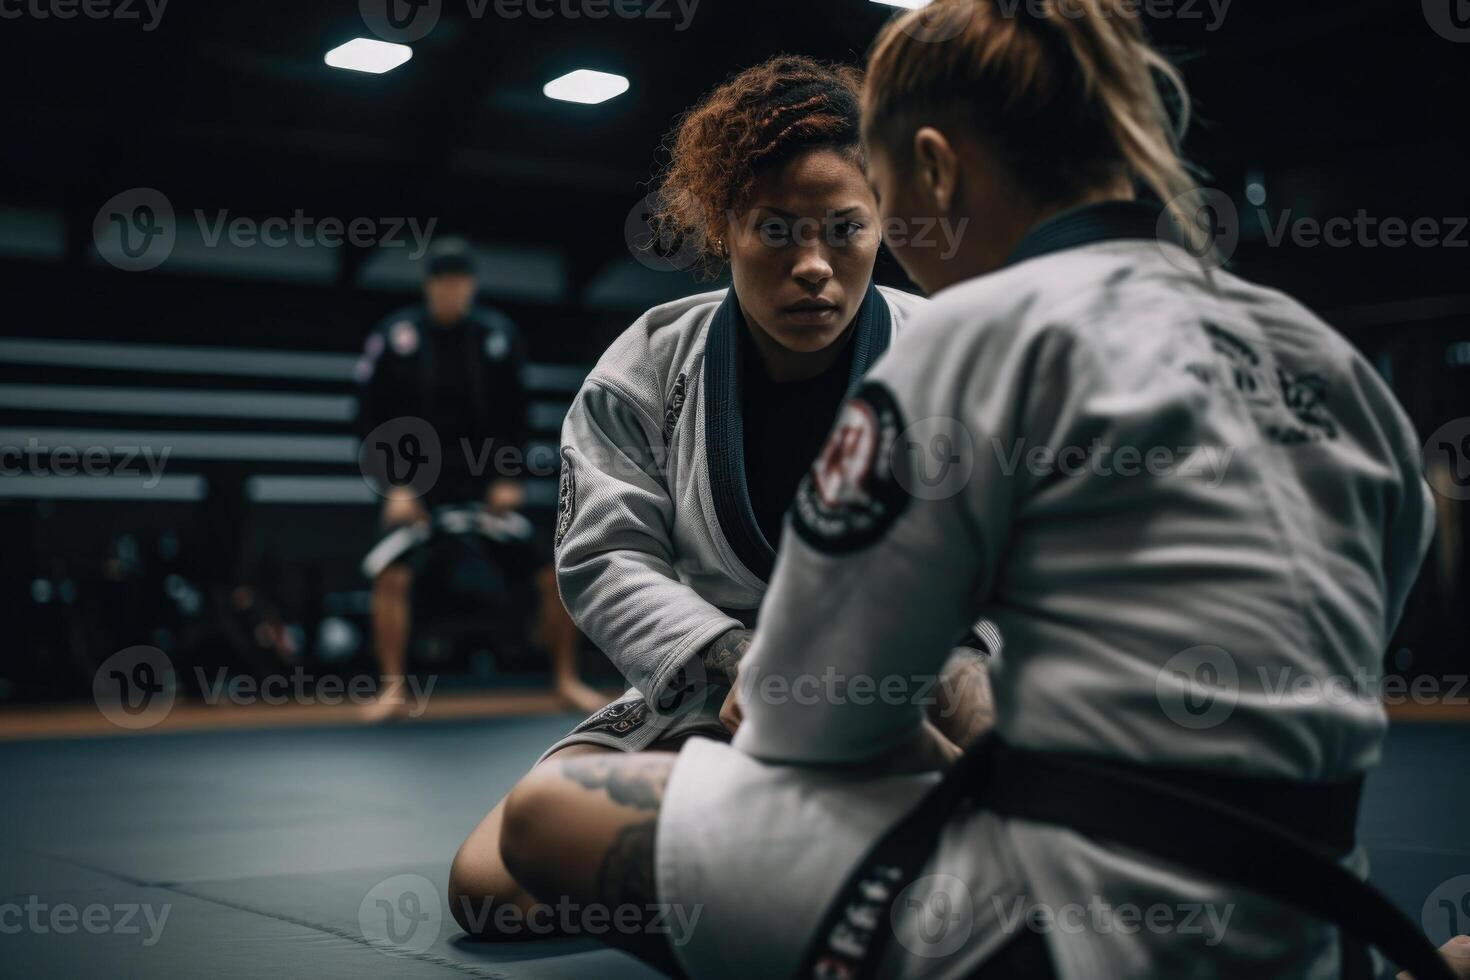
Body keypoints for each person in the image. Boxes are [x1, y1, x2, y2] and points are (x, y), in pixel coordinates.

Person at [492, 3, 1470, 978]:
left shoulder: (963, 342)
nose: (831, 263)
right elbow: (1381, 597)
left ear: (930, 169)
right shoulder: (1323, 357)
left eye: (865, 213)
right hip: (1311, 910)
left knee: (543, 818)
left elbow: (807, 724)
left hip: (1065, 929)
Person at [447, 56, 1000, 939]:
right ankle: (857, 876)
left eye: (844, 229)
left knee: (983, 700)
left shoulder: (952, 350)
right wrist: (739, 661)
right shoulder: (650, 362)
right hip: (719, 683)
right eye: (775, 230)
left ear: (883, 219)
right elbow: (605, 554)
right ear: (723, 226)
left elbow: (1006, 556)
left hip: (912, 675)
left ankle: (873, 860)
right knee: (486, 889)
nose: (813, 265)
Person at [355, 241, 603, 721]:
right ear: (429, 286)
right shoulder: (395, 336)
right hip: (416, 484)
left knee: (552, 571)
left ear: (470, 285)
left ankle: (565, 679)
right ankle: (392, 688)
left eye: (460, 280)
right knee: (390, 574)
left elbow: (518, 414)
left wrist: (508, 477)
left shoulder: (497, 336)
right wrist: (395, 487)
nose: (451, 290)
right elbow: (369, 419)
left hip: (487, 481)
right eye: (442, 281)